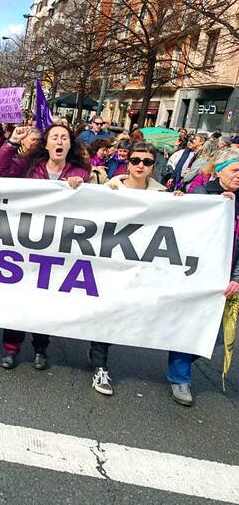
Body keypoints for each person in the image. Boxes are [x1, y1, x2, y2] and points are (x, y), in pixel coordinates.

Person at [0, 123, 91, 369]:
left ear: (70, 145)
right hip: (26, 243)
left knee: (45, 299)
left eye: (64, 138)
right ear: (46, 144)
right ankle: (10, 348)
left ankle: (40, 348)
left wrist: (82, 185)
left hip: (57, 247)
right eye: (54, 137)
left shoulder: (80, 172)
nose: (59, 141)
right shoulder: (30, 167)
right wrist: (12, 142)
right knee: (19, 297)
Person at [86, 143, 166, 394]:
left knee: (121, 313)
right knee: (106, 312)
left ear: (153, 167)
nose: (141, 165)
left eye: (147, 162)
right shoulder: (108, 189)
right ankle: (100, 365)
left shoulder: (163, 195)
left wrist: (223, 200)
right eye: (135, 160)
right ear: (127, 163)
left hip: (139, 266)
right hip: (106, 263)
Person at [168, 147, 239, 406]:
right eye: (235, 169)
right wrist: (179, 201)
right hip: (195, 274)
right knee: (190, 327)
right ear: (220, 171)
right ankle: (179, 377)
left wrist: (237, 277)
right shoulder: (200, 193)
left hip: (225, 278)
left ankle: (179, 355)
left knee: (216, 336)